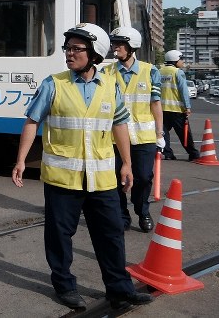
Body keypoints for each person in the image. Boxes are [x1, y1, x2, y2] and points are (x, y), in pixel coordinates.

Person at [12, 23, 152, 310]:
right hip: (64, 179)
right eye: (68, 48)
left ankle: (119, 289)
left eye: (77, 49)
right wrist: (21, 160)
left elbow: (120, 126)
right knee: (60, 236)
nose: (69, 54)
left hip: (102, 180)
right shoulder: (54, 84)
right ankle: (64, 286)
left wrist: (126, 163)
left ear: (95, 54)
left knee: (111, 235)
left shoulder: (110, 87)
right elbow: (32, 121)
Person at [105, 27, 163, 233]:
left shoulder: (150, 71)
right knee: (115, 178)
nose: (115, 47)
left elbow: (156, 104)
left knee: (144, 177)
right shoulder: (106, 72)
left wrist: (160, 134)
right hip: (114, 138)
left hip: (143, 137)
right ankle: (122, 214)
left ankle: (142, 210)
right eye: (114, 43)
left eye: (120, 44)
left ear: (132, 47)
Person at [160, 50, 199, 161]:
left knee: (163, 133)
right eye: (181, 59)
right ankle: (193, 154)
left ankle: (168, 154)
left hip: (162, 109)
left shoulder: (159, 71)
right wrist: (187, 107)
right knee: (184, 133)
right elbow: (183, 91)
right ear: (175, 60)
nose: (182, 62)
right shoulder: (178, 72)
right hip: (176, 109)